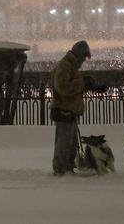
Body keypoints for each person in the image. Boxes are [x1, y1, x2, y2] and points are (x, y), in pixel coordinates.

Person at [50, 40, 92, 176]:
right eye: (84, 57)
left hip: (70, 111)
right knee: (64, 143)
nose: (84, 61)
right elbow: (62, 88)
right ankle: (61, 170)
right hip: (64, 111)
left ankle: (67, 167)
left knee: (71, 143)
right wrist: (82, 82)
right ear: (79, 55)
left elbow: (73, 86)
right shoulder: (65, 66)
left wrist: (88, 84)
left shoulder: (71, 67)